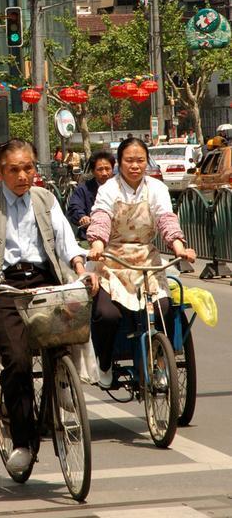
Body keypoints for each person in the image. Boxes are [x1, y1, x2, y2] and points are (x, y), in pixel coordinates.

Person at [0, 139, 99, 475]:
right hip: (5, 286)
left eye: (28, 168)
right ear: (0, 172)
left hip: (44, 277)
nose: (23, 175)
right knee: (18, 361)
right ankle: (23, 443)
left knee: (67, 327)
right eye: (14, 170)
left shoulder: (45, 198)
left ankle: (65, 382)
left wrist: (80, 269)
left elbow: (65, 238)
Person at [86, 138, 196, 389]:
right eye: (129, 160)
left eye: (140, 160)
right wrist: (97, 244)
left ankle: (159, 362)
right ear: (119, 163)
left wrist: (179, 246)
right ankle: (104, 363)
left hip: (146, 257)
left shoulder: (157, 188)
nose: (135, 166)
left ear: (147, 162)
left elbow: (166, 219)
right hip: (112, 259)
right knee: (107, 315)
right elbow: (101, 217)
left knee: (165, 308)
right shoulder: (108, 189)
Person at [67, 151, 115, 241]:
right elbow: (75, 207)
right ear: (93, 171)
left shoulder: (121, 187)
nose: (104, 173)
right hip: (91, 237)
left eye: (107, 169)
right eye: (100, 169)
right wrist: (82, 217)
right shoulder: (83, 189)